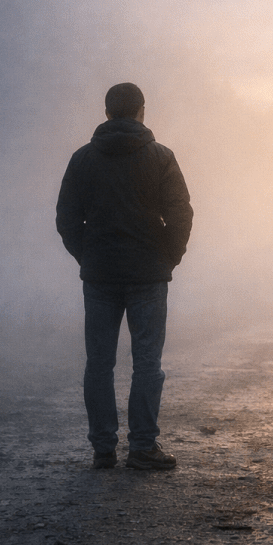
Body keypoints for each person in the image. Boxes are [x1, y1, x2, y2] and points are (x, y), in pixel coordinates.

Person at [56, 83, 193, 471]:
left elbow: (66, 218)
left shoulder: (82, 159)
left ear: (106, 113)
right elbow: (181, 214)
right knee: (147, 362)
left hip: (99, 276)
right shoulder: (161, 157)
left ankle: (103, 450)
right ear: (142, 111)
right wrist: (168, 256)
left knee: (99, 363)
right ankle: (143, 448)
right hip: (148, 275)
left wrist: (89, 255)